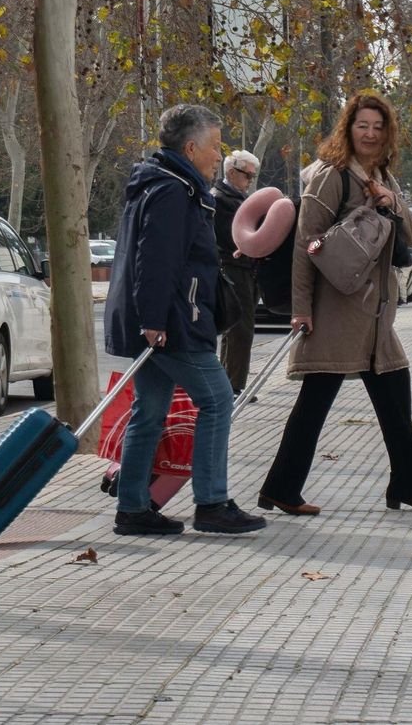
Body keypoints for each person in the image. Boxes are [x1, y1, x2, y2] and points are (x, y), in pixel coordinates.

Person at [257, 91, 412, 517]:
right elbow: (306, 245)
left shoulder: (382, 178)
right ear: (348, 128)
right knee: (315, 402)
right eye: (362, 125)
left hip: (377, 318)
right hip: (336, 313)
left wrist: (389, 201)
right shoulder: (332, 176)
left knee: (396, 394)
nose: (370, 133)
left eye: (378, 127)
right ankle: (281, 489)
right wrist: (301, 309)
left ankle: (409, 484)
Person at [103, 105, 266, 537]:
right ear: (190, 147)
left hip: (161, 319)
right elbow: (156, 260)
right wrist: (155, 320)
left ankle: (133, 507)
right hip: (174, 321)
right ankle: (212, 502)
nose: (219, 155)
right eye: (214, 146)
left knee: (149, 410)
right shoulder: (175, 191)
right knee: (216, 400)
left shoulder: (160, 184)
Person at [213, 149, 261, 396]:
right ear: (232, 173)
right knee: (240, 328)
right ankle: (234, 385)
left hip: (245, 269)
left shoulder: (240, 199)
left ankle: (230, 382)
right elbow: (229, 238)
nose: (250, 181)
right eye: (247, 175)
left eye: (253, 176)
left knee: (238, 329)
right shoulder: (220, 199)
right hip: (233, 268)